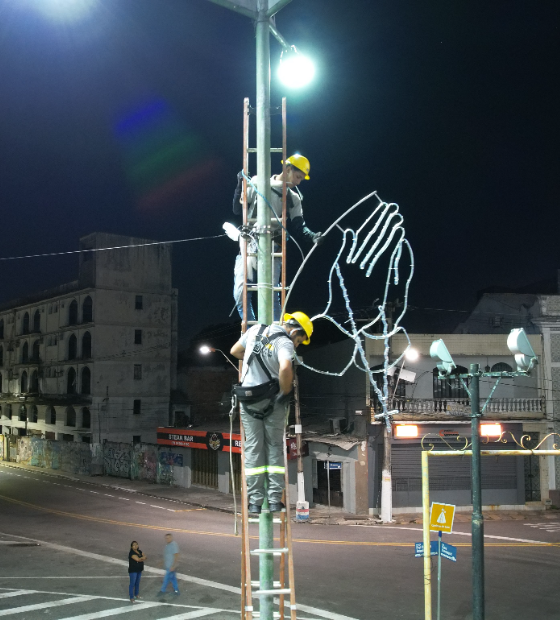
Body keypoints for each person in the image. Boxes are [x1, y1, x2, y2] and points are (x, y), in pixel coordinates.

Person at [230, 311, 313, 513]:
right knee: (274, 446)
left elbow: (235, 351)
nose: (297, 345)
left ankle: (255, 502)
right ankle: (275, 500)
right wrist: (285, 391)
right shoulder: (285, 343)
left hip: (248, 401)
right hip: (271, 401)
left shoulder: (255, 330)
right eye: (300, 340)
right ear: (294, 331)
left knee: (253, 448)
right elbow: (285, 367)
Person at [232, 154, 322, 322]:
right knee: (240, 293)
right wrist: (240, 185)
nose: (298, 182)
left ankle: (273, 332)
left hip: (273, 247)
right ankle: (253, 333)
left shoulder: (293, 199)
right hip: (249, 243)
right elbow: (238, 209)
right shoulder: (259, 182)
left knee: (271, 293)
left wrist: (311, 236)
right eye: (297, 176)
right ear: (287, 169)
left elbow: (299, 225)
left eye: (301, 179)